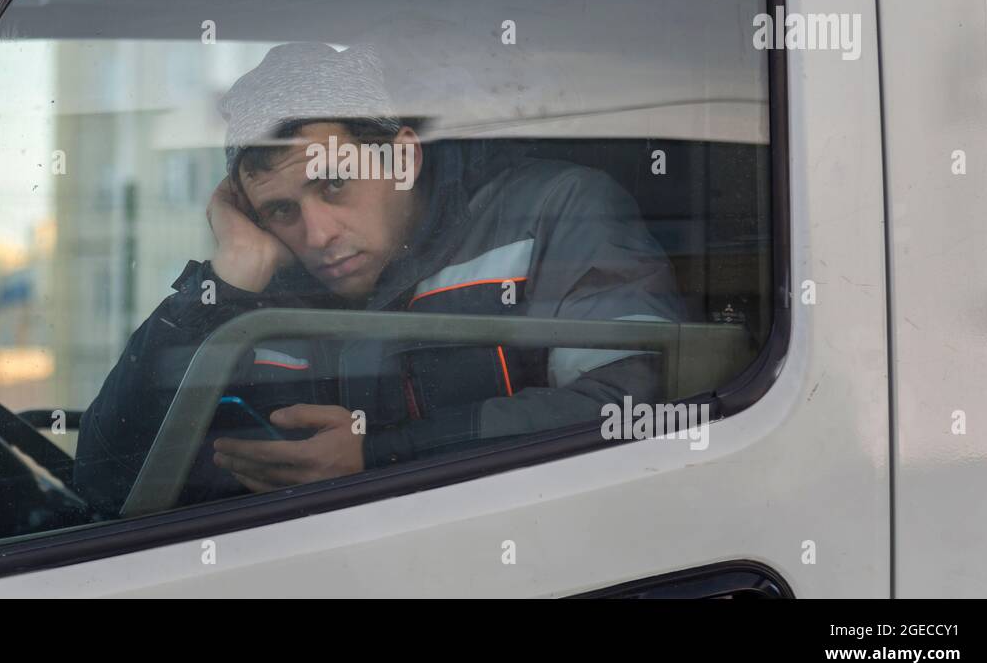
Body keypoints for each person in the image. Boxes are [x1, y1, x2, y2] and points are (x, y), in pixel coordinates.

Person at [73, 42, 685, 514]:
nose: (317, 234)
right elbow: (106, 482)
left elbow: (634, 404)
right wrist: (226, 279)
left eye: (334, 184)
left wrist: (382, 454)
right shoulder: (257, 289)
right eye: (281, 210)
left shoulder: (554, 210)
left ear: (403, 156)